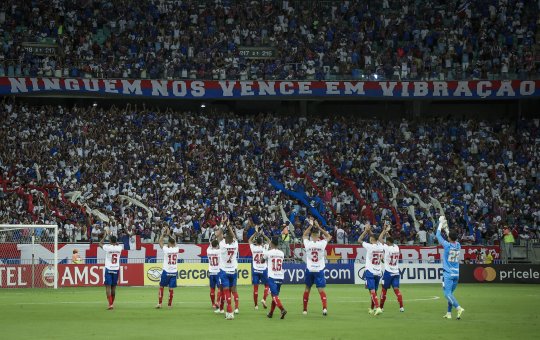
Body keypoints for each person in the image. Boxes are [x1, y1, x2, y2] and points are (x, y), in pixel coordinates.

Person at [436, 216, 465, 320]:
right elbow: (452, 237)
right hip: (456, 274)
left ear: (449, 238)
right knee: (450, 294)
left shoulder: (447, 246)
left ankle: (458, 307)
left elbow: (437, 235)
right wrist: (447, 228)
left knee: (447, 294)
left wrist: (440, 223)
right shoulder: (458, 245)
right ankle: (448, 313)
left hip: (448, 273)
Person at [302, 217, 332, 316]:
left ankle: (305, 310)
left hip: (310, 269)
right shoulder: (322, 244)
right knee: (321, 290)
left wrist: (310, 226)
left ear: (311, 236)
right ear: (318, 235)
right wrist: (319, 227)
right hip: (319, 269)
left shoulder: (308, 244)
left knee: (307, 288)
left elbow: (304, 235)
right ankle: (324, 309)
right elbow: (329, 236)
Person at [358, 222, 384, 316]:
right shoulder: (381, 246)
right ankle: (372, 309)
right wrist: (370, 231)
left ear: (371, 239)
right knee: (373, 291)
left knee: (372, 291)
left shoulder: (370, 246)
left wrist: (365, 231)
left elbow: (359, 240)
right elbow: (375, 238)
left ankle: (378, 307)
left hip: (370, 271)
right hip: (378, 272)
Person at [379, 224, 404, 312]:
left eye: (387, 242)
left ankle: (381, 308)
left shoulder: (387, 247)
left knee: (384, 289)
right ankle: (401, 307)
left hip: (388, 272)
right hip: (396, 272)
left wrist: (384, 230)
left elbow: (380, 239)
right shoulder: (396, 247)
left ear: (388, 243)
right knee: (396, 290)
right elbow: (390, 240)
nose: (385, 242)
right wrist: (388, 231)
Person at [217, 217, 239, 320]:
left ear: (226, 239)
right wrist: (229, 226)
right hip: (233, 271)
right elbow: (233, 236)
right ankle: (232, 310)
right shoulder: (235, 245)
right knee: (232, 290)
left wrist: (222, 224)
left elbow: (218, 235)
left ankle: (229, 311)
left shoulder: (222, 245)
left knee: (225, 291)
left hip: (224, 271)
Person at [156, 227, 179, 309]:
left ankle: (159, 303)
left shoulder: (166, 249)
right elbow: (174, 242)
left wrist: (163, 234)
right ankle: (169, 304)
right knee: (171, 289)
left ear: (169, 243)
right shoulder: (176, 249)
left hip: (166, 271)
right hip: (173, 272)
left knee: (161, 286)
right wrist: (169, 235)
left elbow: (160, 242)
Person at [99, 230, 123, 310]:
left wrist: (104, 236)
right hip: (116, 269)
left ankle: (110, 304)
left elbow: (100, 244)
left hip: (108, 268)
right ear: (116, 241)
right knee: (114, 287)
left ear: (109, 241)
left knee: (108, 287)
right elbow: (118, 244)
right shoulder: (119, 248)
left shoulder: (108, 247)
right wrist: (115, 242)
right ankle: (112, 303)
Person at [264, 238, 287, 319]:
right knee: (275, 296)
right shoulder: (282, 253)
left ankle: (282, 309)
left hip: (272, 277)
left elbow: (262, 260)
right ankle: (270, 313)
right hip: (280, 276)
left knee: (274, 295)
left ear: (272, 244)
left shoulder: (268, 253)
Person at [248, 228, 270, 310]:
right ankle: (264, 299)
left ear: (256, 242)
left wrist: (255, 233)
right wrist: (263, 234)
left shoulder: (253, 248)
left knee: (255, 288)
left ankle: (256, 305)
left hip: (255, 270)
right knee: (267, 285)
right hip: (263, 269)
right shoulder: (264, 247)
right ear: (261, 242)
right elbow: (269, 241)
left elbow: (249, 240)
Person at [207, 238, 223, 313]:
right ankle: (217, 302)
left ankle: (213, 304)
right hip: (218, 272)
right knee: (220, 288)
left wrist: (213, 239)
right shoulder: (219, 251)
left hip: (211, 271)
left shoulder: (208, 251)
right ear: (217, 245)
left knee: (212, 288)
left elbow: (210, 245)